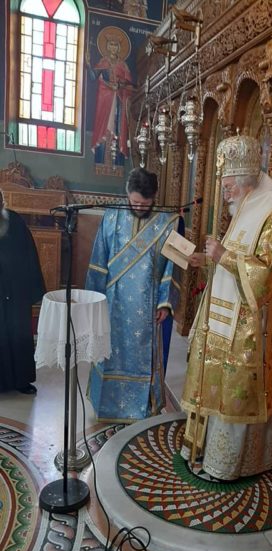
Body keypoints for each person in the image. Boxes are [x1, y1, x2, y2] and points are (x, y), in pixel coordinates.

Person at [181, 134, 272, 480]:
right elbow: (232, 267)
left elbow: (271, 274)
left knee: (236, 393)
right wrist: (207, 260)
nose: (225, 193)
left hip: (249, 329)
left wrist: (223, 256)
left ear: (246, 182)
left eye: (229, 186)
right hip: (222, 320)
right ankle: (202, 450)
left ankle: (230, 463)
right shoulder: (244, 211)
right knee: (214, 384)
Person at [85, 168, 180, 421]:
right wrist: (94, 299)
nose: (139, 208)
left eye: (145, 204)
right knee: (110, 352)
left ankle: (143, 406)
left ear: (154, 197)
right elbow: (99, 259)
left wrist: (165, 302)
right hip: (112, 301)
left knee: (142, 355)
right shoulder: (112, 216)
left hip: (147, 304)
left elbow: (172, 267)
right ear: (127, 194)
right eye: (135, 202)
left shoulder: (167, 222)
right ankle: (106, 404)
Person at [0, 190, 45, 394]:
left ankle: (21, 380)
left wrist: (33, 290)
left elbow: (30, 256)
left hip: (16, 291)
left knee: (18, 333)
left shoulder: (15, 221)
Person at [89, 30, 134, 167]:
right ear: (108, 46)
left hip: (119, 98)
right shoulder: (103, 62)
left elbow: (129, 83)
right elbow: (94, 77)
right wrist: (87, 63)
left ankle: (117, 163)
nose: (113, 47)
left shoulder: (123, 65)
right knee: (104, 127)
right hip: (105, 99)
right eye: (111, 44)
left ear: (119, 48)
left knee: (118, 127)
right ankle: (100, 161)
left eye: (116, 45)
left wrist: (120, 85)